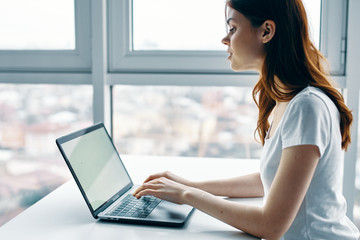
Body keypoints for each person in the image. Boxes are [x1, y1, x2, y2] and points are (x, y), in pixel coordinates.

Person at [133, 0, 360, 239]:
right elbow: (269, 180)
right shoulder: (287, 99)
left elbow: (271, 226)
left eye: (232, 28)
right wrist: (189, 185)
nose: (225, 39)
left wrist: (186, 196)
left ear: (266, 31)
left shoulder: (307, 106)